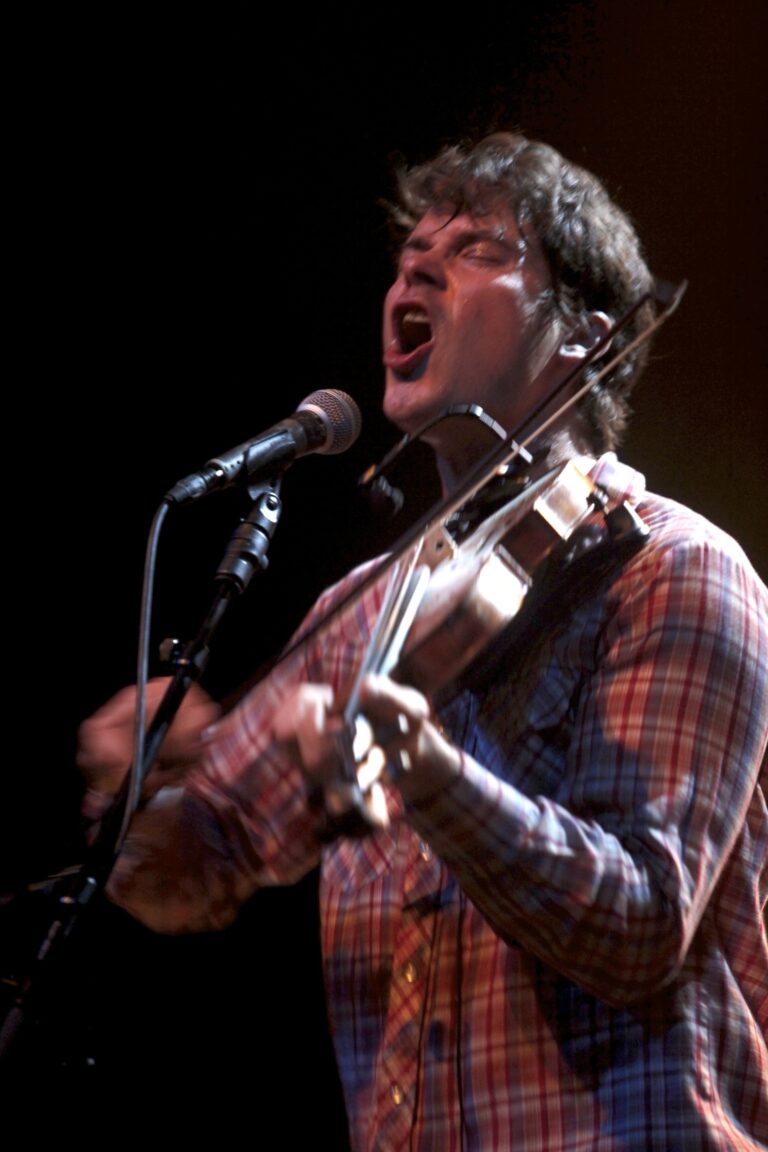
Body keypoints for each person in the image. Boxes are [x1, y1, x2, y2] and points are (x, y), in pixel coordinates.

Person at [75, 133, 768, 1150]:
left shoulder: (675, 569)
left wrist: (427, 771)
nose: (416, 267)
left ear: (588, 335)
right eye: (410, 253)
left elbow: (639, 925)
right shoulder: (361, 610)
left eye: (481, 247)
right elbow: (195, 869)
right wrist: (136, 793)